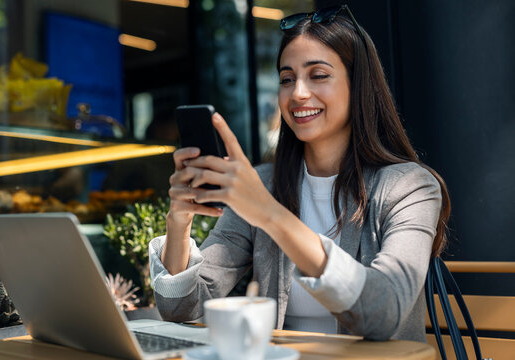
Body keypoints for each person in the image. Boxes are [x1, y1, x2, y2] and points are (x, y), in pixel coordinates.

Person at [148, 5, 450, 342]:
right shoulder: (265, 183)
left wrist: (270, 214)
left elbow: (384, 314)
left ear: (358, 85)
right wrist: (179, 221)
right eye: (286, 79)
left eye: (318, 75)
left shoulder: (410, 187)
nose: (298, 93)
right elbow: (180, 308)